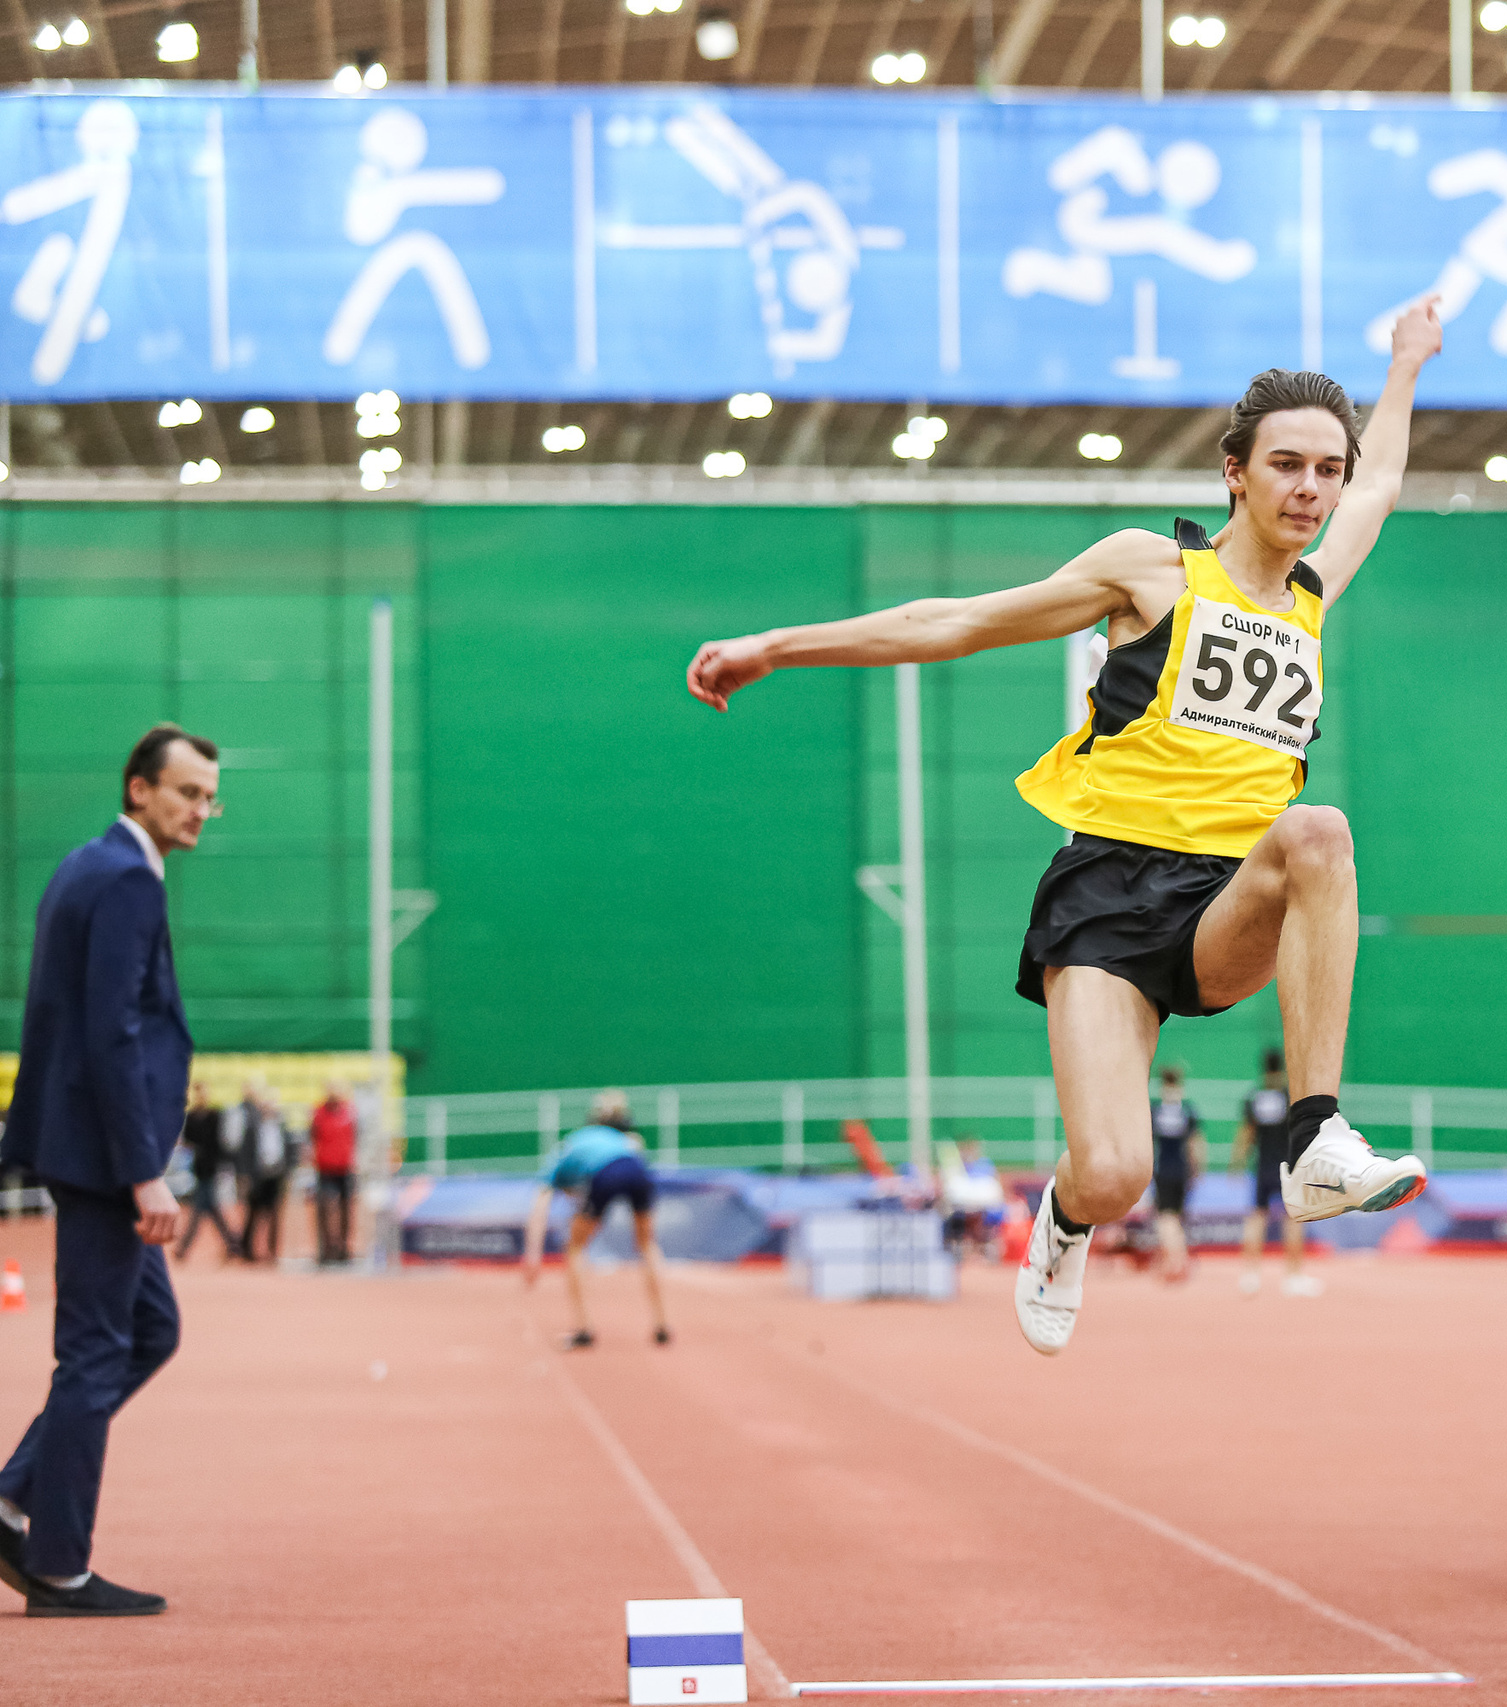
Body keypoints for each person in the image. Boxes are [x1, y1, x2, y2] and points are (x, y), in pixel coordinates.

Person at [684, 300, 1448, 1356]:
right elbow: (952, 621)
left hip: (1225, 904)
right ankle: (1065, 1220)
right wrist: (780, 644)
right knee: (1115, 1173)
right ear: (1235, 471)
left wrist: (1405, 365)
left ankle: (1316, 1136)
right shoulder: (1150, 570)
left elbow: (1387, 482)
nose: (1310, 489)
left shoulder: (1313, 596)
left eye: (1325, 469)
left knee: (1317, 832)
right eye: (1285, 465)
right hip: (1108, 897)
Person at [0, 723, 220, 1616]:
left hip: (78, 1139)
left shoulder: (86, 864)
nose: (201, 809)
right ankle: (58, 1566)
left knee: (150, 1329)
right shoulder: (125, 877)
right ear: (140, 789)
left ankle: (16, 1490)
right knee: (94, 1352)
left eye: (209, 796)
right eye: (185, 792)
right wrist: (143, 1170)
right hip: (100, 1154)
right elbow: (110, 1031)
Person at [521, 1092, 671, 1349]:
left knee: (575, 1246)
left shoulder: (559, 1158)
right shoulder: (618, 1138)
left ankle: (584, 1328)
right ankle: (662, 1323)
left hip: (606, 1173)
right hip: (637, 1168)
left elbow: (540, 1209)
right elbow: (636, 1148)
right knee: (646, 1243)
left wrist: (532, 1255)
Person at [1235, 1049, 1318, 1296]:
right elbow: (1300, 1133)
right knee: (1292, 1220)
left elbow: (1246, 1134)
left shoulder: (1254, 1097)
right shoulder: (1288, 1097)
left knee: (1256, 1218)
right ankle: (1293, 1277)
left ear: (1263, 1069)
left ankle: (1250, 1276)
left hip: (1262, 1166)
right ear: (1282, 1069)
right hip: (1287, 1166)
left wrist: (1236, 1163)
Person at [1149, 1065, 1205, 1282]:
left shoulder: (1155, 1110)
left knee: (1165, 1218)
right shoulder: (1187, 1109)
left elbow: (1148, 1144)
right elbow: (1196, 1144)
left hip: (1163, 1169)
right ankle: (1177, 1260)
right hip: (1182, 1170)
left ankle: (1176, 1261)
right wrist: (1197, 1170)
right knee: (1176, 1217)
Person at [173, 1080, 238, 1264]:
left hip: (210, 1169)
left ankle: (183, 1248)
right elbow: (188, 1140)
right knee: (212, 1210)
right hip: (199, 1169)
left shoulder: (214, 1115)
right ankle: (233, 1245)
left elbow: (219, 1143)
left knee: (199, 1210)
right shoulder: (192, 1116)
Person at [233, 1083, 294, 1265]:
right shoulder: (253, 1127)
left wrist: (288, 1171)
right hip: (257, 1176)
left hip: (276, 1175)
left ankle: (272, 1251)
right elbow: (244, 1152)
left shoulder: (283, 1127)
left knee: (275, 1215)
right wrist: (244, 1175)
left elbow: (291, 1151)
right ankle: (247, 1251)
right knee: (253, 1214)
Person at [308, 1081, 358, 1265]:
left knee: (346, 1209)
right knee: (325, 1208)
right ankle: (325, 1249)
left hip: (345, 1167)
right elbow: (312, 1136)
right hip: (325, 1167)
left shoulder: (350, 1112)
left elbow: (356, 1136)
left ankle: (343, 1248)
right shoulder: (319, 1113)